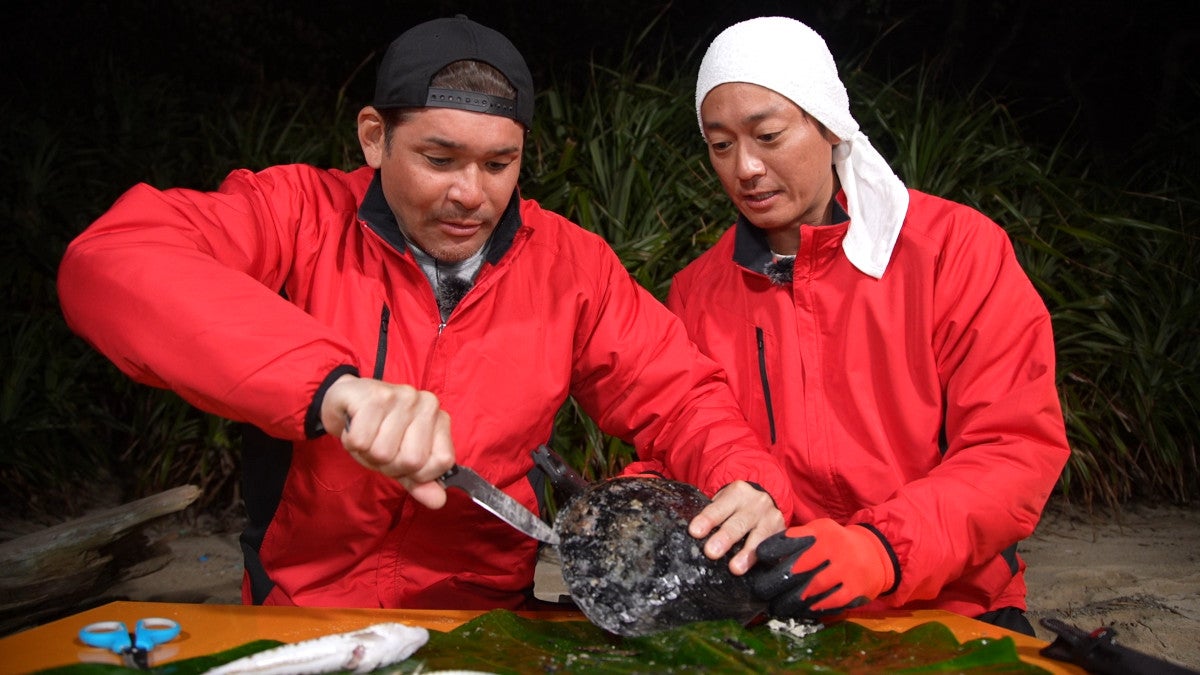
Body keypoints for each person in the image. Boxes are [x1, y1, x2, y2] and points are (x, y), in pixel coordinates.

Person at [57, 15, 789, 610]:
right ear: (374, 137)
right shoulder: (298, 215)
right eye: (440, 159)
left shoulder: (571, 263)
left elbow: (678, 394)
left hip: (484, 612)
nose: (471, 193)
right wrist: (331, 388)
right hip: (302, 607)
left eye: (499, 164)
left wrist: (744, 478)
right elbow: (111, 260)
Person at [669, 16, 1071, 635]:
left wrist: (880, 548)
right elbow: (682, 440)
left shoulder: (956, 252)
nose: (745, 168)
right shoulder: (698, 289)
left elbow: (1013, 448)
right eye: (721, 145)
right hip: (775, 605)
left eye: (768, 135)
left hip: (951, 605)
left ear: (829, 124)